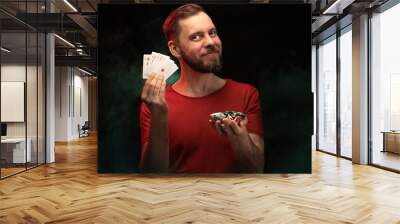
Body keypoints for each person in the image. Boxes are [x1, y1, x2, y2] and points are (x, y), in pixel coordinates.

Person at [140, 3, 264, 173]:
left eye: (212, 33)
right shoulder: (155, 103)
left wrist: (239, 137)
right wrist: (159, 116)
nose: (211, 42)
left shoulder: (247, 94)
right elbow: (151, 175)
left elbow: (257, 170)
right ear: (175, 49)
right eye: (196, 37)